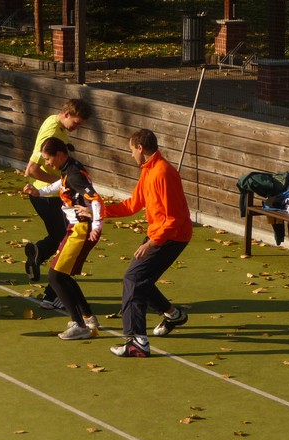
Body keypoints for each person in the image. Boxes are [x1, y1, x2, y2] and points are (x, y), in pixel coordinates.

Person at [104, 129, 192, 357]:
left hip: (172, 237)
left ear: (140, 148)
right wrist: (100, 211)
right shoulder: (148, 171)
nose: (131, 154)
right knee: (141, 278)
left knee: (133, 279)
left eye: (131, 150)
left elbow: (174, 218)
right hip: (160, 233)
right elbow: (133, 203)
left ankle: (137, 341)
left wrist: (152, 243)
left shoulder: (163, 173)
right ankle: (173, 315)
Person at [23, 137, 103, 340]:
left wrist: (95, 225)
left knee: (55, 276)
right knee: (63, 276)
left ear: (59, 154)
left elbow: (95, 199)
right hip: (75, 228)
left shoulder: (74, 174)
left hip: (81, 229)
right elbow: (61, 184)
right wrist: (39, 192)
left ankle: (80, 324)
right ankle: (88, 317)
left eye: (48, 159)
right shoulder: (70, 168)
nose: (47, 164)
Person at [23, 98, 93, 310]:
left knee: (61, 239)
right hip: (46, 197)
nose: (77, 128)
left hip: (48, 196)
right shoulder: (52, 133)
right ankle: (52, 292)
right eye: (76, 123)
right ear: (66, 113)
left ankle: (41, 258)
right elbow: (32, 170)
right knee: (66, 243)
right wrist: (62, 183)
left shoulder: (56, 124)